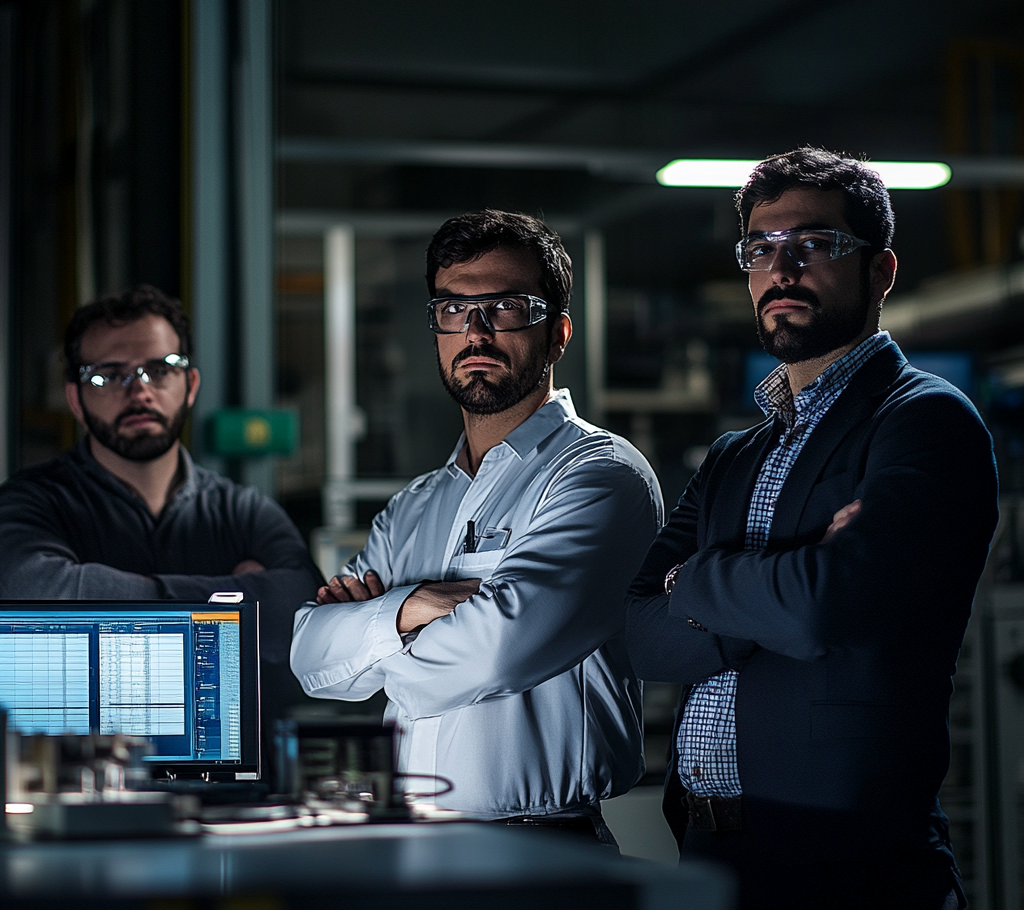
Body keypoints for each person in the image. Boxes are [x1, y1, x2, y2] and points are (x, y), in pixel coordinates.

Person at [624, 148, 998, 910]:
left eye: (814, 244)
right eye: (760, 248)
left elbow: (828, 606)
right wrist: (771, 587)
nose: (781, 267)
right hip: (705, 851)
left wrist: (691, 581)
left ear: (882, 270)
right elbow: (634, 632)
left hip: (846, 869)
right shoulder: (733, 456)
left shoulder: (924, 421)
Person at [290, 209, 663, 839]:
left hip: (545, 845)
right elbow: (308, 656)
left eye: (507, 307)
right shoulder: (414, 506)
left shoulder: (598, 475)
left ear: (558, 333)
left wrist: (373, 643)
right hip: (411, 841)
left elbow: (494, 654)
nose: (477, 332)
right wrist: (414, 608)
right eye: (454, 310)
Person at [0, 284, 324, 742]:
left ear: (189, 385)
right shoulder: (29, 503)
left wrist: (104, 599)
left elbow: (300, 613)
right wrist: (236, 598)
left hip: (234, 790)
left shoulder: (244, 509)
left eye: (159, 369)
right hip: (83, 785)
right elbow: (36, 594)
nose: (140, 391)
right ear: (75, 400)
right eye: (108, 375)